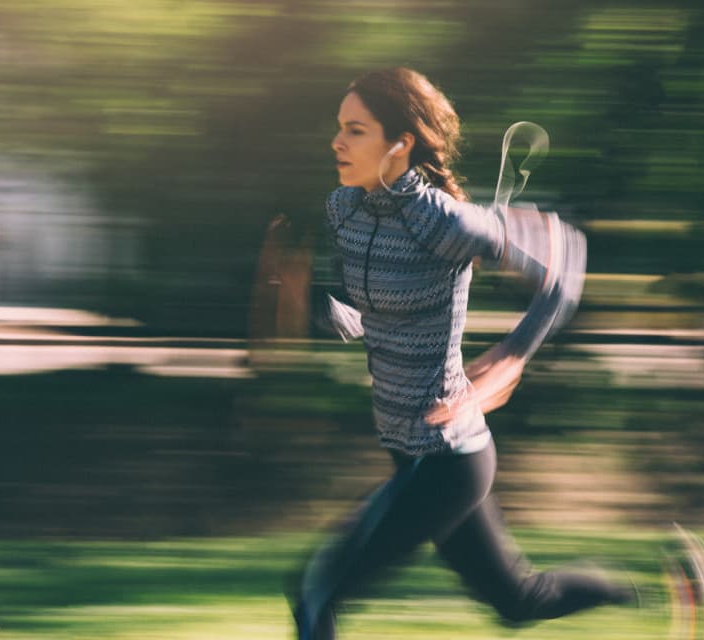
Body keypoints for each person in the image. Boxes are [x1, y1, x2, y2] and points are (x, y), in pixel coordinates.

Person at [290, 67, 633, 640]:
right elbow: (370, 318)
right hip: (417, 455)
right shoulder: (344, 212)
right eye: (338, 128)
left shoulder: (443, 221)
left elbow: (565, 262)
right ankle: (653, 592)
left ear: (398, 146)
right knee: (520, 600)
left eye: (355, 130)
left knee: (316, 593)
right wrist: (310, 306)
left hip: (445, 460)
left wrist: (513, 354)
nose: (337, 142)